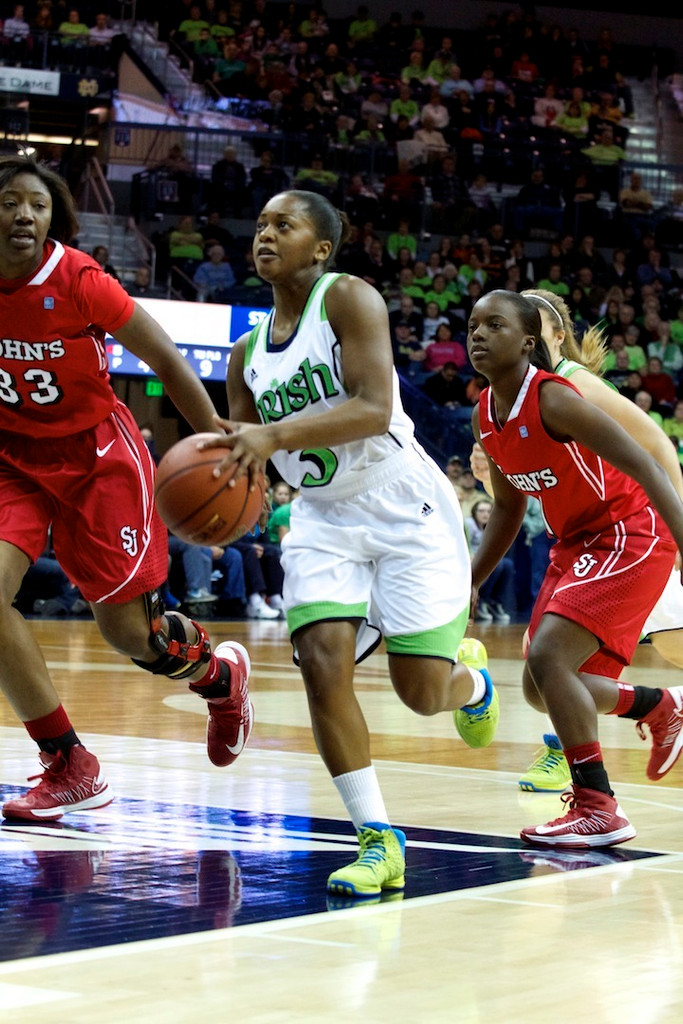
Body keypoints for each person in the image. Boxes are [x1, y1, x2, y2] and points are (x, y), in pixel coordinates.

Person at [198, 188, 500, 898]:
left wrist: (270, 436)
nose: (266, 234)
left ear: (322, 246)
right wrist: (214, 499)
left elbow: (369, 409)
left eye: (286, 224)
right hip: (322, 518)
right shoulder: (246, 356)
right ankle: (377, 838)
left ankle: (471, 682)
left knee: (421, 693)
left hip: (404, 504)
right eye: (261, 224)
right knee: (320, 663)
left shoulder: (350, 299)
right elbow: (248, 461)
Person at [0, 157, 254, 822]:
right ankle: (69, 765)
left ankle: (218, 679)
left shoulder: (77, 277)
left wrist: (218, 443)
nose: (24, 215)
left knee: (128, 634)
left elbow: (167, 359)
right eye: (9, 202)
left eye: (38, 205)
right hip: (13, 461)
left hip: (97, 458)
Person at [467, 289, 683, 847]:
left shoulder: (558, 397)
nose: (479, 334)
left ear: (530, 341)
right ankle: (659, 707)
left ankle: (598, 807)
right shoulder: (483, 415)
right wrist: (472, 576)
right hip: (578, 541)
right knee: (543, 685)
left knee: (549, 657)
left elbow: (648, 462)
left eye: (495, 324)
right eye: (473, 325)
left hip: (627, 529)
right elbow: (510, 508)